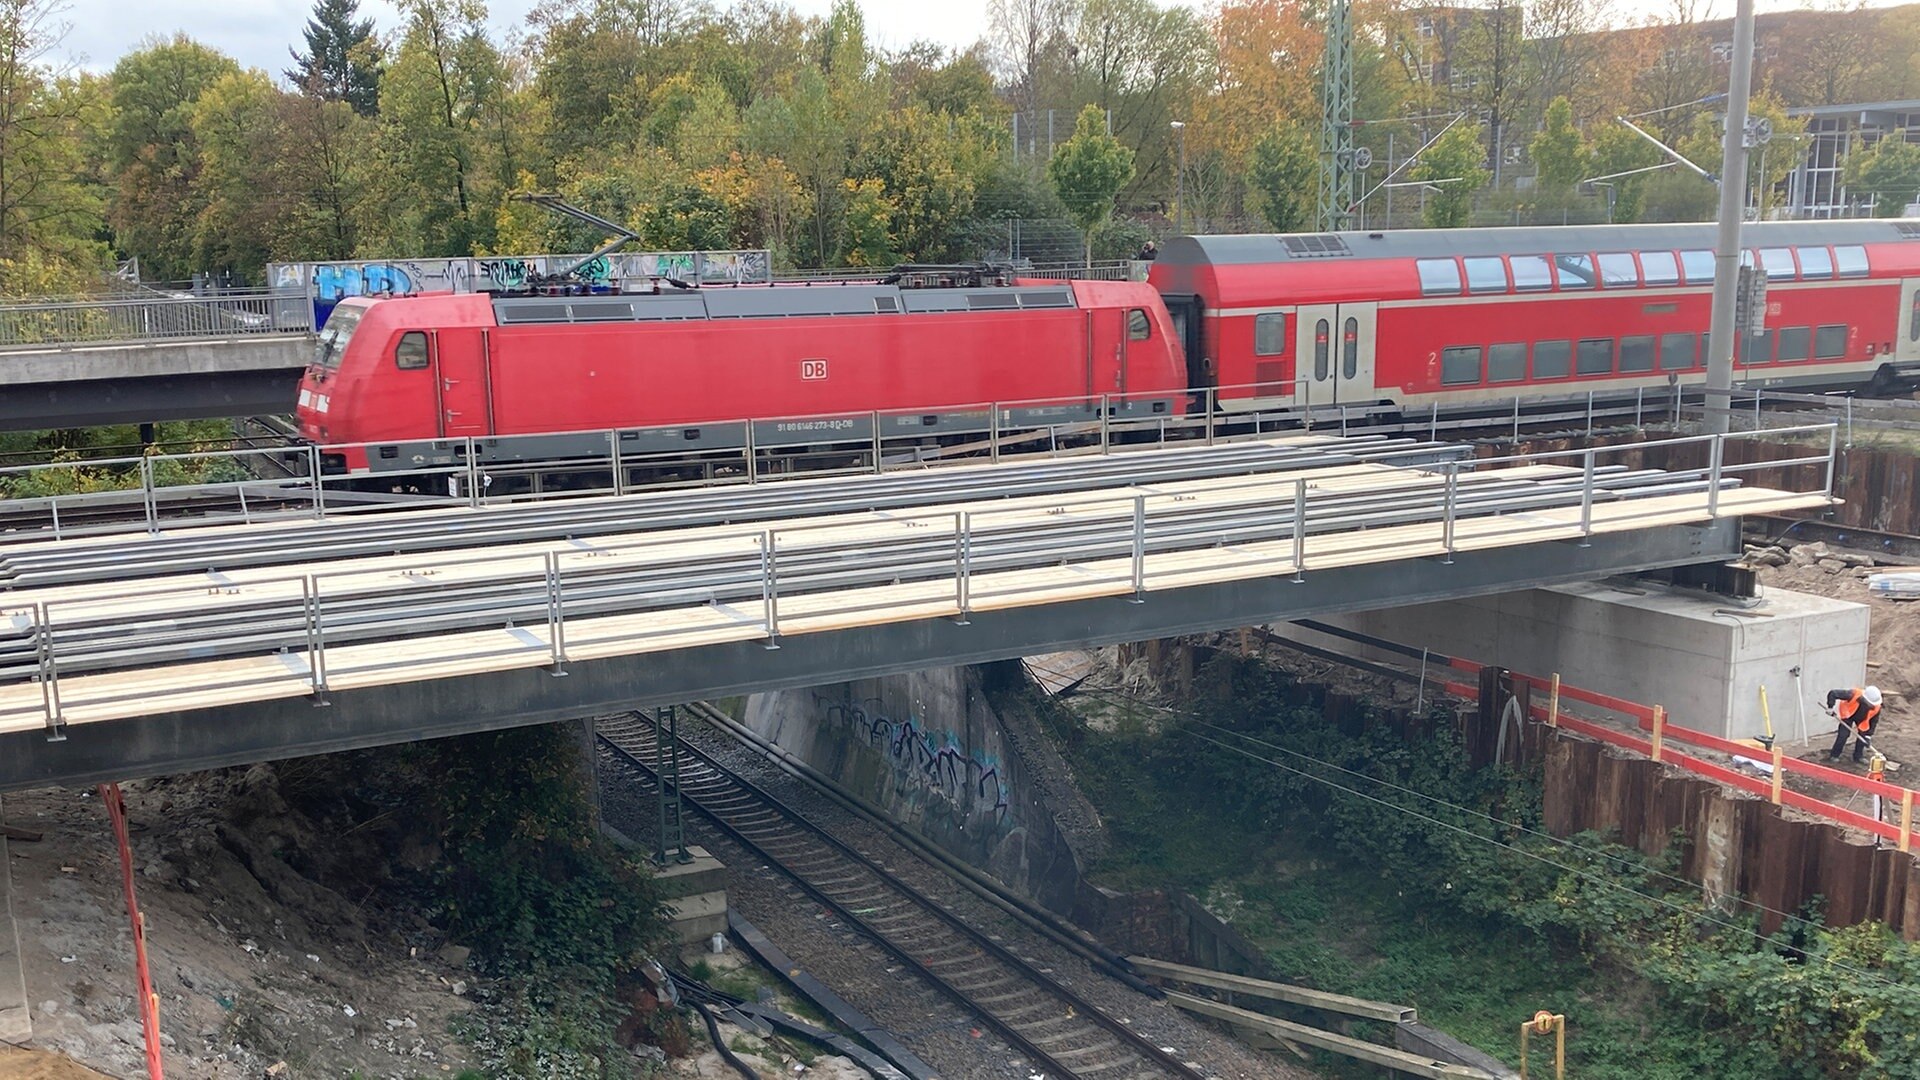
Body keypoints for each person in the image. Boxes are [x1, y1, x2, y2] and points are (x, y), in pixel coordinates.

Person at [1826, 685, 1883, 763]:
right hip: (1848, 714)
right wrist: (1830, 707)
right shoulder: (1852, 694)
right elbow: (1833, 693)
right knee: (1843, 735)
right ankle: (1834, 755)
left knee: (1862, 737)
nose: (1871, 705)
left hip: (1863, 719)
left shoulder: (1877, 707)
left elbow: (1873, 722)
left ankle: (1858, 757)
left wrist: (1868, 736)